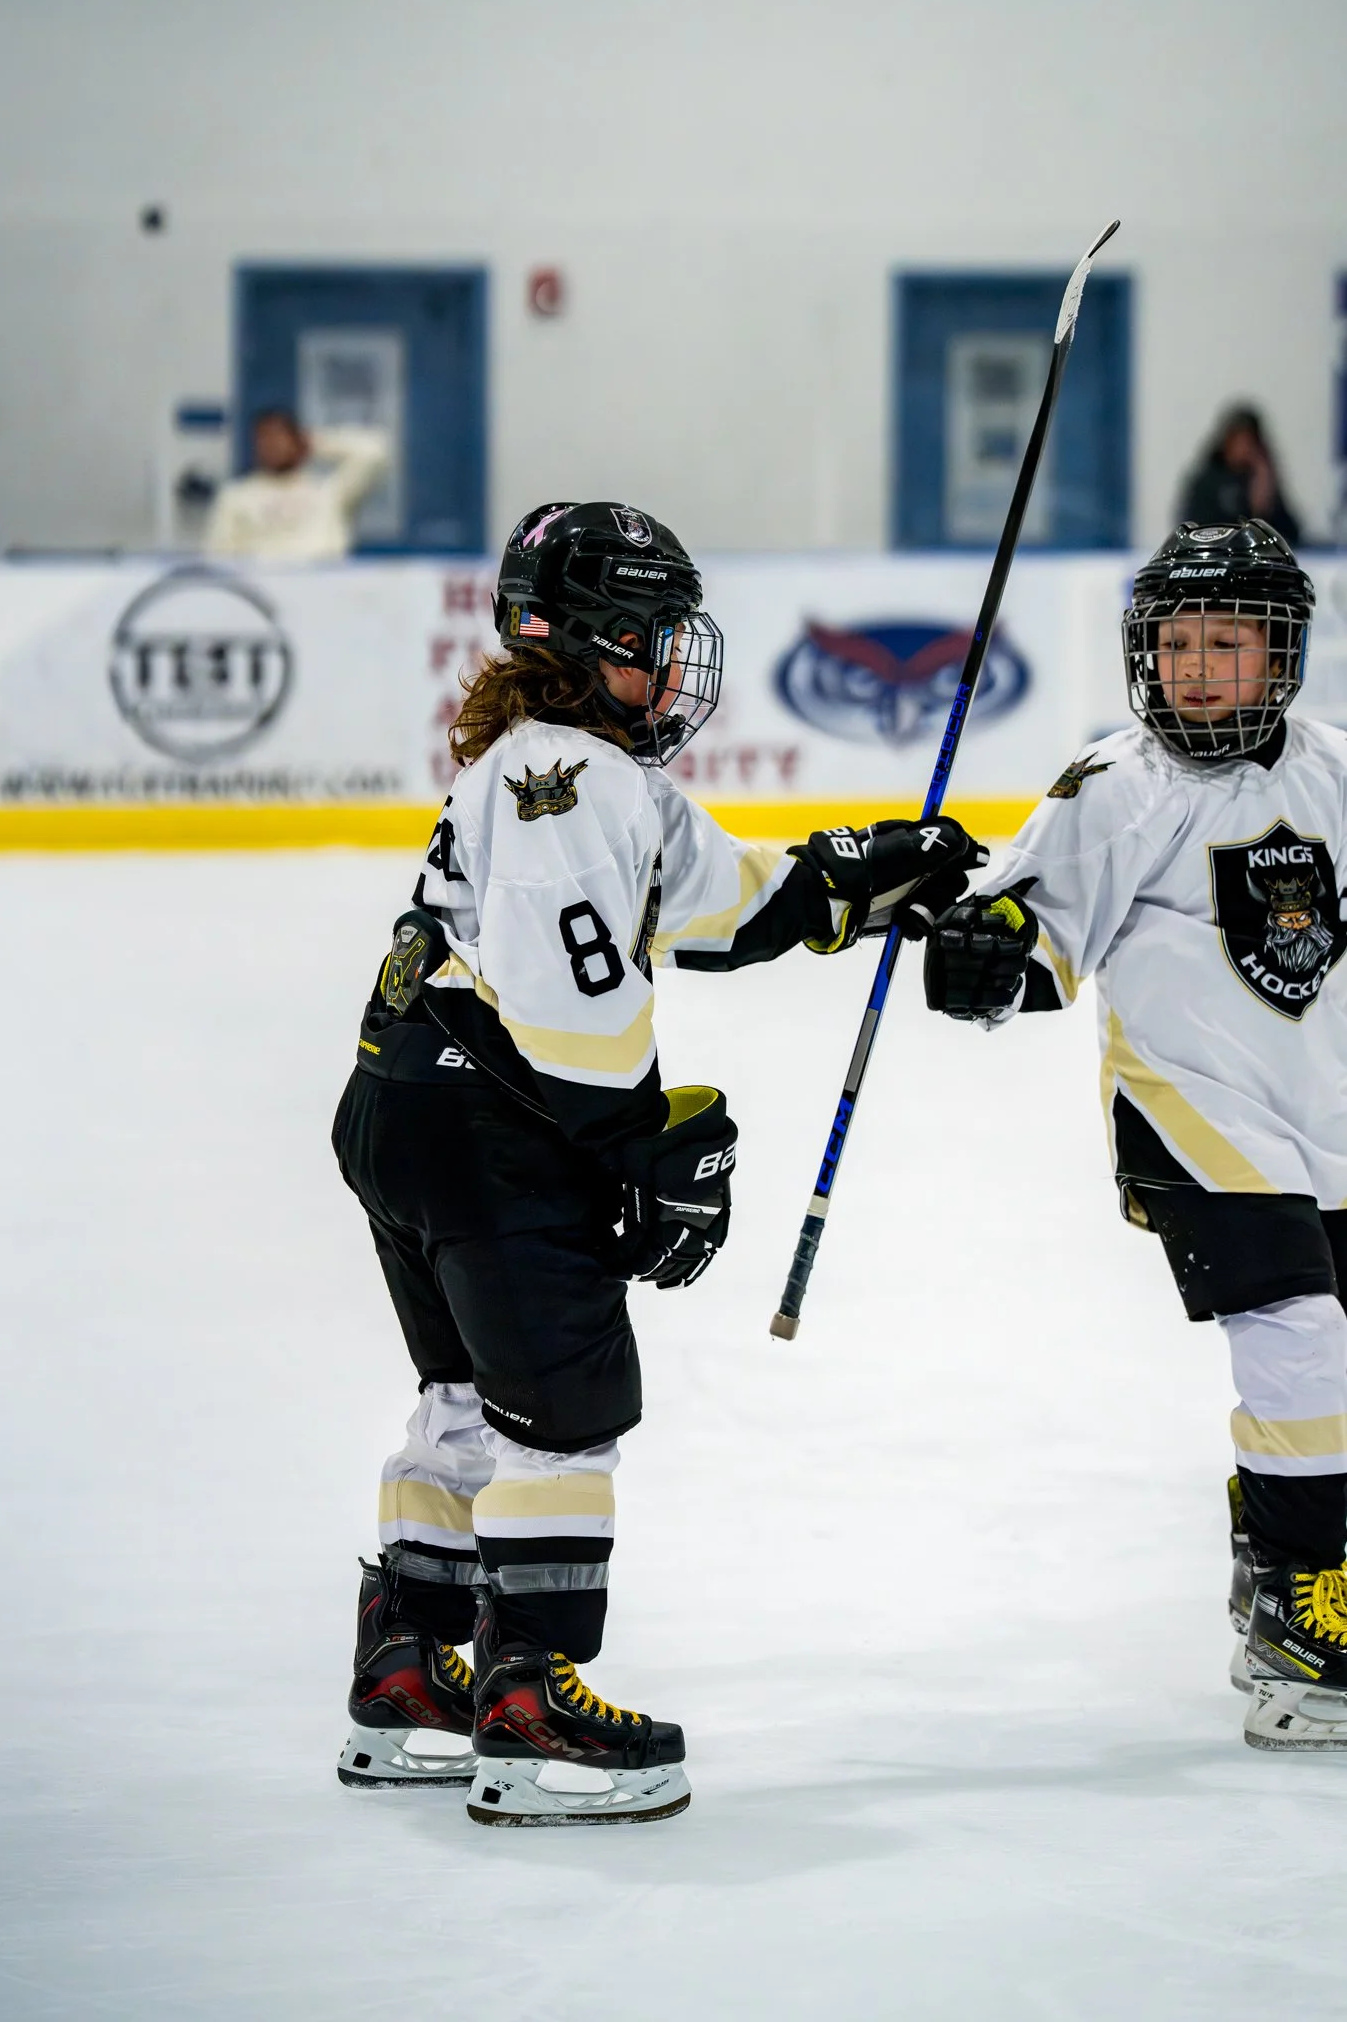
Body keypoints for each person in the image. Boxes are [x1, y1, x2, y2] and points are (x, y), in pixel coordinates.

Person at [330, 500, 984, 1823]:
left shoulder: (546, 763)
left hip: (402, 1110)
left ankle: (406, 1667)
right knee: (561, 1411)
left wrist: (869, 873)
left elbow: (725, 905)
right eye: (657, 637)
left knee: (463, 1392)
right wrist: (640, 1150)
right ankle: (530, 1708)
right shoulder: (566, 779)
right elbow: (568, 1015)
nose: (677, 665)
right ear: (596, 636)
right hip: (487, 1129)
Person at [921, 517, 1347, 1751]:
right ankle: (1298, 1609)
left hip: (1323, 1117)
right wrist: (984, 956)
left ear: (1284, 655)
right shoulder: (1120, 787)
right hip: (1195, 1117)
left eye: (1230, 643)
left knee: (1332, 1356)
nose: (1199, 668)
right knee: (1301, 1339)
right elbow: (1033, 938)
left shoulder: (1332, 771)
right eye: (1176, 643)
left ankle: (1296, 1561)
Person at [205, 406, 389, 560]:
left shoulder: (329, 492)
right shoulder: (237, 496)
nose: (272, 445)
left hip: (323, 589)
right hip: (263, 592)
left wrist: (317, 442)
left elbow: (374, 452)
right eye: (264, 438)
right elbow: (219, 557)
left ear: (297, 440)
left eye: (280, 437)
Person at [1178, 405, 1302, 548]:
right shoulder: (1208, 480)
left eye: (1250, 441)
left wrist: (1264, 506)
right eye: (1239, 440)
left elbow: (1291, 535)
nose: (1245, 448)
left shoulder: (1260, 481)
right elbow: (1192, 528)